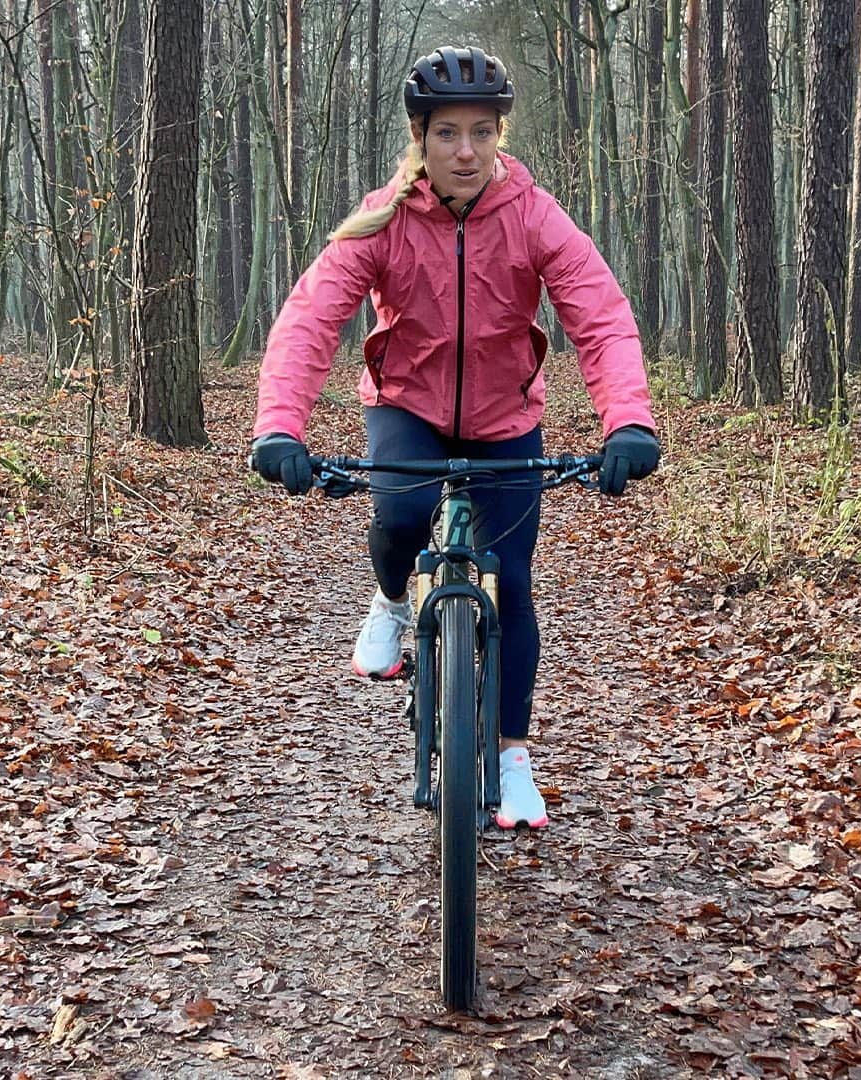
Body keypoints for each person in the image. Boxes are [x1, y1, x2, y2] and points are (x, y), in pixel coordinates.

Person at [250, 45, 660, 829]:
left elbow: (601, 318)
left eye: (481, 131)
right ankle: (390, 601)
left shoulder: (536, 216)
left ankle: (511, 759)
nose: (465, 150)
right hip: (408, 405)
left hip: (507, 420)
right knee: (401, 513)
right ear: (420, 138)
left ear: (500, 134)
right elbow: (310, 320)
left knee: (514, 580)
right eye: (446, 133)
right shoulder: (383, 219)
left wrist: (629, 421)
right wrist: (279, 426)